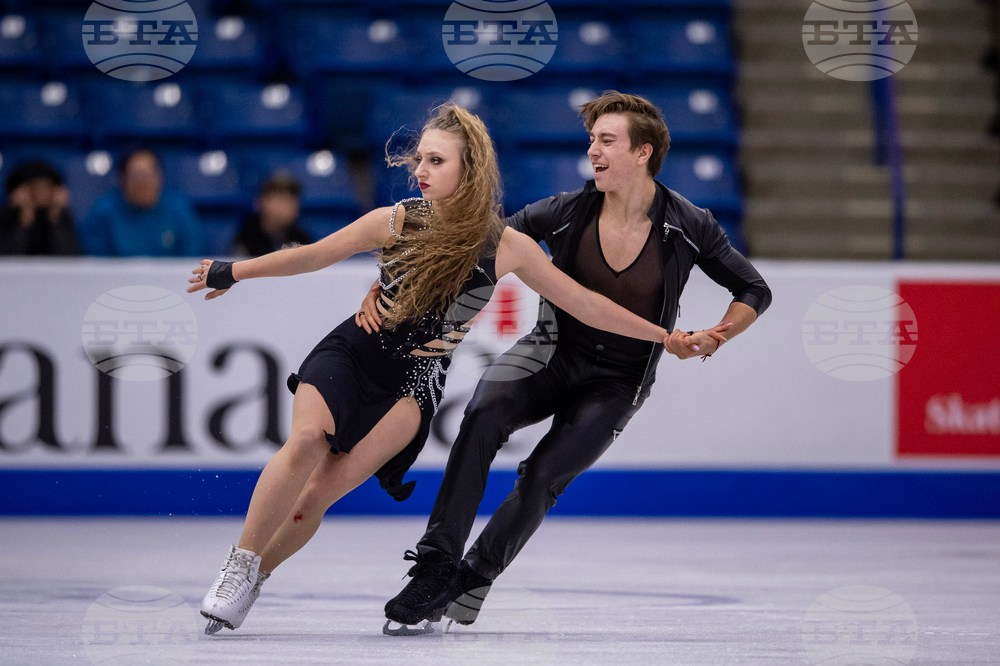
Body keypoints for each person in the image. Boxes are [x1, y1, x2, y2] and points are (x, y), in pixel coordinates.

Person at [188, 104, 677, 636]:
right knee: (306, 441)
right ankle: (238, 566)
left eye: (436, 160)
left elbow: (585, 304)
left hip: (413, 385)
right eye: (419, 158)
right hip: (354, 352)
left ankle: (257, 576)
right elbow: (314, 255)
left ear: (470, 169)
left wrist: (664, 336)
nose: (420, 170)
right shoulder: (396, 219)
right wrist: (233, 271)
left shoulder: (507, 246)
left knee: (314, 499)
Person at [353, 91, 772, 632]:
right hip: (547, 353)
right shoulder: (563, 212)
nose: (592, 151)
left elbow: (754, 289)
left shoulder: (690, 223)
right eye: (591, 140)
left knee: (543, 476)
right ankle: (435, 566)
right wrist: (390, 281)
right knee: (481, 417)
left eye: (607, 141)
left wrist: (718, 335)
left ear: (643, 152)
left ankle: (471, 578)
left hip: (619, 381)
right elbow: (472, 245)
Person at [78, 147, 201, 257]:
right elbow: (94, 263)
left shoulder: (180, 211)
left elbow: (192, 259)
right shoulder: (102, 214)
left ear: (160, 176)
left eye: (148, 175)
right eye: (136, 175)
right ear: (122, 178)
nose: (143, 183)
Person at [0, 160, 79, 256]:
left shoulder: (61, 216)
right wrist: (24, 221)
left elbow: (70, 255)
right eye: (35, 186)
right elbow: (7, 256)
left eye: (47, 186)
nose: (42, 192)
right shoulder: (7, 216)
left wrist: (55, 217)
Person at [231, 171, 312, 257]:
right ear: (261, 202)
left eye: (292, 200)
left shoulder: (301, 238)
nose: (288, 206)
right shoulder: (246, 238)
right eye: (281, 200)